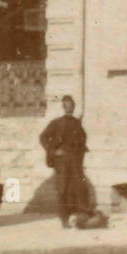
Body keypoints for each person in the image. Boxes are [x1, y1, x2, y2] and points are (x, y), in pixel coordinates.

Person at [39, 95, 89, 229]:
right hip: (62, 162)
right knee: (62, 189)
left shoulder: (77, 123)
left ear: (74, 107)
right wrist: (54, 152)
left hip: (75, 162)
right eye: (66, 105)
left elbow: (83, 140)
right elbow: (43, 137)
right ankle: (64, 219)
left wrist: (80, 156)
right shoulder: (56, 123)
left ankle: (83, 217)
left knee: (80, 187)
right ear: (63, 107)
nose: (69, 108)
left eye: (71, 106)